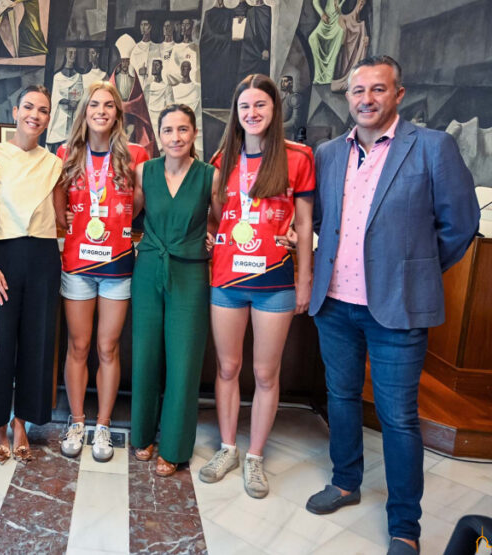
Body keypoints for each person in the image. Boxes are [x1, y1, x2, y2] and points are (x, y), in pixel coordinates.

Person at [305, 56, 479, 555]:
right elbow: (320, 222)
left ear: (398, 94)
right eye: (357, 91)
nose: (366, 99)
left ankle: (405, 525)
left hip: (397, 310)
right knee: (340, 397)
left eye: (377, 90)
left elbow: (460, 225)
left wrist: (412, 270)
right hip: (335, 303)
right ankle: (345, 481)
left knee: (398, 417)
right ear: (347, 97)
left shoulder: (432, 147)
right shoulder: (329, 153)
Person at [198, 74, 314, 499]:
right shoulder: (219, 160)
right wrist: (212, 233)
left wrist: (304, 282)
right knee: (227, 368)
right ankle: (228, 448)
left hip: (276, 282)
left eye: (260, 105)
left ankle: (255, 457)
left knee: (266, 373)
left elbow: (303, 224)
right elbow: (216, 216)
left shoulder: (297, 158)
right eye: (245, 106)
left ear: (274, 110)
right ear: (236, 113)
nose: (252, 113)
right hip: (227, 279)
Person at [53, 81, 149, 462]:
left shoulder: (135, 154)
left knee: (107, 348)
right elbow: (59, 203)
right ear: (85, 111)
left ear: (118, 113)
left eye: (109, 105)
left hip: (117, 266)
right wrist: (70, 220)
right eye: (94, 104)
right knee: (78, 347)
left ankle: (104, 425)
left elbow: (139, 203)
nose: (101, 111)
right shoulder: (67, 153)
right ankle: (77, 420)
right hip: (77, 265)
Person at [131, 104, 217, 477]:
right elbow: (127, 213)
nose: (176, 137)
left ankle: (175, 446)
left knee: (183, 361)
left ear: (194, 134)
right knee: (146, 354)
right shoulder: (144, 171)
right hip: (149, 267)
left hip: (191, 271)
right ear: (159, 136)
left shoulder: (209, 176)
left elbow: (222, 220)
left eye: (183, 130)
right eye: (168, 130)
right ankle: (144, 435)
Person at [0, 85, 63, 464]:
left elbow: (61, 219)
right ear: (15, 110)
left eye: (43, 110)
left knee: (38, 341)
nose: (35, 114)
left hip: (43, 255)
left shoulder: (54, 163)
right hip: (3, 255)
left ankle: (21, 423)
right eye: (28, 106)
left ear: (49, 118)